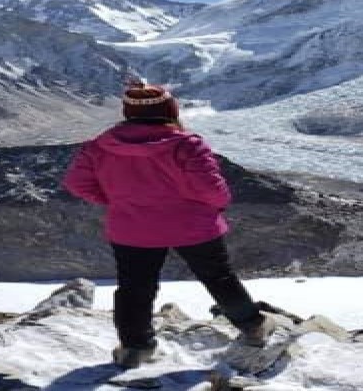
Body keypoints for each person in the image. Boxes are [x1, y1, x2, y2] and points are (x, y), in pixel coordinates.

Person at [63, 80, 271, 369]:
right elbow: (212, 189)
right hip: (194, 226)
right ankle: (253, 328)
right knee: (218, 278)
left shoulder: (100, 146)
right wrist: (214, 207)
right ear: (169, 110)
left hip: (132, 228)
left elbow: (76, 183)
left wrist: (116, 201)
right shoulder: (186, 144)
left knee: (135, 287)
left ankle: (135, 348)